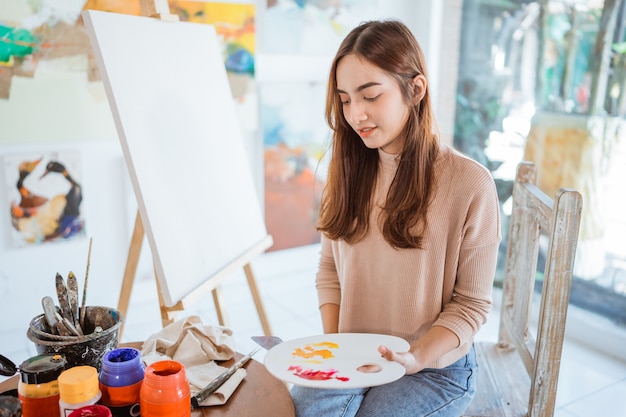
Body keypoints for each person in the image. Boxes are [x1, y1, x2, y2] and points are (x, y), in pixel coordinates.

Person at [290, 20, 501, 417]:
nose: (356, 114)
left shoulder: (470, 183)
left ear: (415, 89)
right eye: (346, 100)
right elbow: (329, 271)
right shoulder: (347, 169)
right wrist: (337, 351)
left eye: (370, 95)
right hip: (355, 356)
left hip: (434, 369)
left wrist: (414, 357)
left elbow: (471, 305)